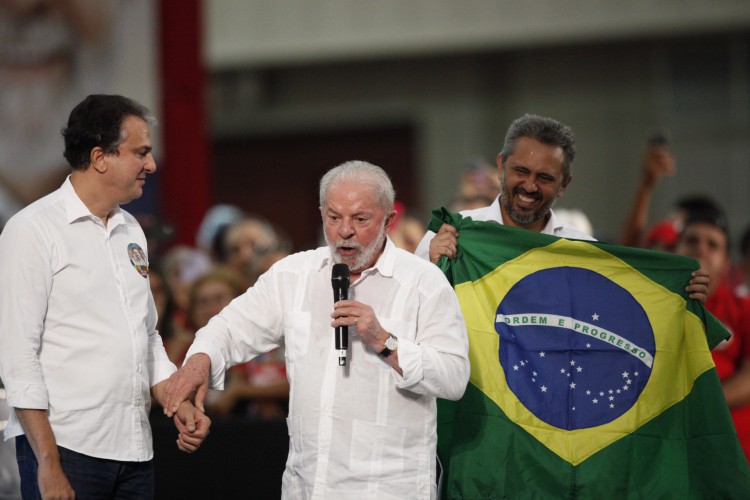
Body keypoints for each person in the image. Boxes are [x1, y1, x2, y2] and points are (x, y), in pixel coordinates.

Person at [162, 160, 470, 498]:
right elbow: (229, 327)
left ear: (389, 220)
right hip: (308, 486)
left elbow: (454, 376)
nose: (344, 231)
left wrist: (386, 342)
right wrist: (199, 361)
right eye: (334, 217)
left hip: (389, 488)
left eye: (360, 219)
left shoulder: (423, 282)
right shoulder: (293, 275)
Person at [0, 94, 210, 499]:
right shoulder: (32, 230)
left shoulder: (132, 230)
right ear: (100, 157)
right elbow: (17, 355)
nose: (150, 165)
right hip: (66, 450)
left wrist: (176, 399)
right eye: (141, 153)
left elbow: (145, 337)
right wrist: (47, 462)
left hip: (135, 450)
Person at [415, 113, 709, 301]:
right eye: (521, 171)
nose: (530, 186)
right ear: (501, 166)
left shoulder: (583, 250)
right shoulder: (449, 236)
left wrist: (678, 291)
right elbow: (405, 315)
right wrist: (430, 268)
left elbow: (631, 301)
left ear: (565, 185)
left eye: (544, 177)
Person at [674, 209, 750, 463]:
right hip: (670, 454)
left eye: (713, 244)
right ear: (674, 251)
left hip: (732, 460)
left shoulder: (744, 309)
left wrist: (699, 404)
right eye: (692, 240)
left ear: (727, 262)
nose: (701, 250)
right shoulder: (647, 308)